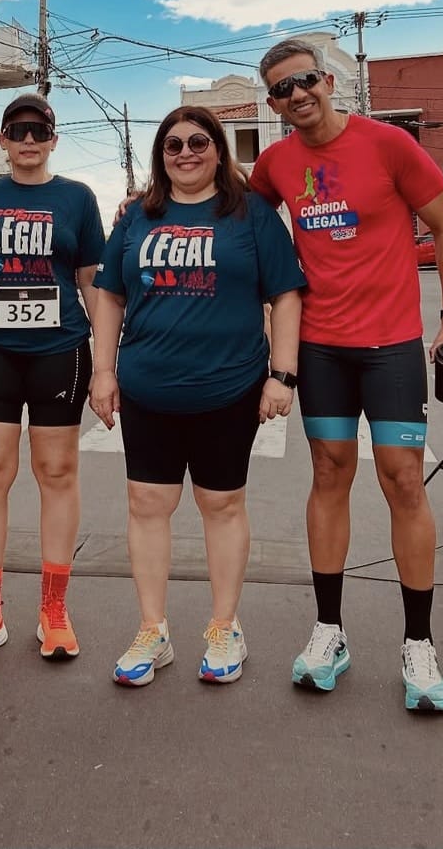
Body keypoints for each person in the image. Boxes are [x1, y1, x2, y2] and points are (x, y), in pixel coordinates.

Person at [251, 39, 443, 713]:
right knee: (328, 474)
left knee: (405, 479)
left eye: (307, 80)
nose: (298, 94)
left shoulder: (388, 145)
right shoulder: (275, 163)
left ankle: (419, 642)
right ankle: (330, 631)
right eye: (283, 89)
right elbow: (249, 221)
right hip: (319, 349)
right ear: (272, 103)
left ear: (329, 81)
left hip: (390, 346)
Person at [91, 105, 304, 687]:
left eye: (198, 142)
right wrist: (102, 371)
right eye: (173, 145)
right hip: (148, 388)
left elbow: (286, 294)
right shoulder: (137, 216)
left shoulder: (251, 214)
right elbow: (109, 294)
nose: (186, 153)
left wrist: (282, 375)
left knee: (222, 506)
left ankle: (223, 626)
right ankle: (152, 629)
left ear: (218, 149)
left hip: (227, 389)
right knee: (146, 506)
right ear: (161, 155)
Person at [0, 93, 105, 665]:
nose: (29, 139)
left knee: (56, 470)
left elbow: (92, 281)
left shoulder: (76, 198)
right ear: (3, 139)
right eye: (18, 130)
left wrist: (107, 364)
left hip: (60, 348)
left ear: (53, 139)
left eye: (40, 130)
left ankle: (53, 607)